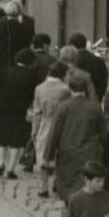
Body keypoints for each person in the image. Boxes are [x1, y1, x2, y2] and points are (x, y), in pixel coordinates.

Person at [45, 70, 106, 203]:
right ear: (85, 89)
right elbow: (103, 133)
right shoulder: (95, 108)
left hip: (68, 152)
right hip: (90, 153)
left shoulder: (63, 107)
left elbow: (54, 132)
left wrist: (48, 156)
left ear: (70, 88)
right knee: (86, 185)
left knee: (69, 185)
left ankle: (70, 209)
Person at [0, 47, 38, 180]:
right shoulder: (31, 76)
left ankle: (0, 163)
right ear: (30, 61)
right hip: (20, 111)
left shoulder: (5, 71)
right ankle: (11, 169)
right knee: (16, 140)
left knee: (1, 137)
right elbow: (32, 96)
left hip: (2, 109)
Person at [31, 62, 75, 196]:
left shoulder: (39, 88)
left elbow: (37, 112)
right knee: (59, 155)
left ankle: (43, 188)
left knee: (43, 156)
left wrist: (34, 130)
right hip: (63, 125)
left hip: (45, 124)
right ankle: (56, 183)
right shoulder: (66, 90)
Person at [70, 33, 109, 106]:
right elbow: (104, 82)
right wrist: (99, 96)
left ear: (72, 46)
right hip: (94, 101)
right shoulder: (98, 61)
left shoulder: (71, 61)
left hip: (74, 101)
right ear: (85, 44)